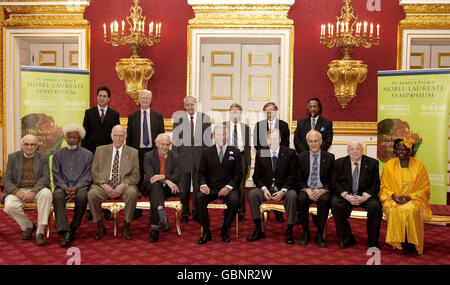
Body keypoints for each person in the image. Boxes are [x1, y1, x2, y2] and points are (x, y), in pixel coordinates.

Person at [380, 137, 432, 255]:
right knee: (396, 209)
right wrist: (394, 196)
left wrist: (409, 197)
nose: (402, 152)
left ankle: (411, 243)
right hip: (394, 199)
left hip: (414, 199)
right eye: (399, 150)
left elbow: (425, 188)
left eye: (405, 150)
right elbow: (383, 186)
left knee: (411, 209)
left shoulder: (419, 165)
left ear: (410, 151)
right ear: (395, 151)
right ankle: (400, 242)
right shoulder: (389, 165)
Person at [88, 125, 140, 240]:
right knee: (92, 194)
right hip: (104, 185)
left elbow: (136, 175)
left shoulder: (133, 152)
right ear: (111, 136)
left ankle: (126, 226)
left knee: (132, 193)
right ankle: (100, 225)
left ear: (125, 136)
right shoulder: (100, 150)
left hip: (124, 185)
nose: (117, 139)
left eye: (121, 136)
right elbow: (94, 172)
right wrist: (104, 185)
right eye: (115, 135)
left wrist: (123, 185)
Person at [247, 129, 297, 244]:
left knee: (293, 195)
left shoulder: (290, 153)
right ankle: (258, 229)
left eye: (275, 139)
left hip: (284, 189)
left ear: (279, 140)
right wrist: (263, 189)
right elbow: (256, 177)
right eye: (270, 139)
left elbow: (293, 176)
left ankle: (289, 230)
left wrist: (283, 191)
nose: (272, 142)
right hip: (267, 189)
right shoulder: (261, 153)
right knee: (253, 194)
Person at [1, 134, 52, 246]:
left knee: (47, 193)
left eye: (32, 144)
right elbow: (7, 179)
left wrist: (34, 191)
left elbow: (45, 177)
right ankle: (28, 225)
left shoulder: (43, 157)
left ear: (36, 146)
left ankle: (40, 231)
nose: (29, 147)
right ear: (22, 146)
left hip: (37, 189)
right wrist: (17, 192)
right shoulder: (13, 157)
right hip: (18, 189)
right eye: (26, 144)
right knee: (9, 206)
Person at [331, 141, 382, 249]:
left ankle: (373, 241)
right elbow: (335, 183)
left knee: (375, 206)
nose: (355, 151)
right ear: (348, 151)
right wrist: (346, 196)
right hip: (347, 195)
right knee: (335, 203)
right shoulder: (339, 163)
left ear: (362, 150)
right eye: (352, 149)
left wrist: (365, 197)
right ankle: (347, 236)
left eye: (358, 149)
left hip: (365, 195)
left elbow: (376, 184)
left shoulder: (373, 163)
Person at [197, 125, 243, 244]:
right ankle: (206, 232)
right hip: (211, 188)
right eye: (218, 135)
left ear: (227, 136)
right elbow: (201, 173)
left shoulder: (235, 151)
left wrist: (228, 187)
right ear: (213, 136)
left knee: (235, 200)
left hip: (228, 188)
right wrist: (203, 185)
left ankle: (225, 229)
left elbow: (238, 175)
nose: (221, 137)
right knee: (199, 198)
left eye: (223, 134)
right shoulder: (206, 152)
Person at [81, 86, 120, 222]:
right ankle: (91, 210)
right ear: (96, 97)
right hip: (91, 153)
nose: (102, 98)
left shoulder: (114, 114)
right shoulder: (89, 113)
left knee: (107, 180)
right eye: (100, 96)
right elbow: (84, 135)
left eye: (105, 96)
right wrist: (84, 153)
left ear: (109, 99)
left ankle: (107, 209)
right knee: (92, 181)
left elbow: (117, 136)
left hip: (108, 154)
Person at [52, 124, 93, 248]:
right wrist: (65, 187)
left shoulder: (88, 154)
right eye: (69, 137)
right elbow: (56, 174)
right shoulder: (58, 154)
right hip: (62, 187)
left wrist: (76, 187)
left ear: (80, 138)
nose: (72, 140)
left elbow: (88, 175)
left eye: (75, 137)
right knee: (57, 196)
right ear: (65, 138)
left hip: (80, 187)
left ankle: (74, 226)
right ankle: (65, 231)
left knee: (82, 197)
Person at [172, 96, 212, 224]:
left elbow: (208, 142)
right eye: (188, 104)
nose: (190, 107)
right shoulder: (179, 120)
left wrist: (207, 160)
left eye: (192, 104)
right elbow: (176, 142)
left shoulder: (205, 119)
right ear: (184, 106)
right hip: (183, 159)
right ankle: (184, 212)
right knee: (183, 187)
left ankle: (196, 212)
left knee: (198, 186)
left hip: (200, 159)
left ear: (196, 105)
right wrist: (175, 160)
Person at [126, 89, 164, 219]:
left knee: (154, 180)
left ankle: (155, 208)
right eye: (143, 98)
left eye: (147, 98)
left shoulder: (158, 116)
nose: (145, 100)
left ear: (151, 99)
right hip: (137, 152)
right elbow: (129, 139)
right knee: (137, 179)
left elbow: (162, 137)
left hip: (153, 152)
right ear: (139, 100)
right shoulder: (132, 117)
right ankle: (136, 209)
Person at [296, 130, 335, 247]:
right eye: (311, 141)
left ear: (321, 141)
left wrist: (323, 190)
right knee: (301, 199)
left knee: (324, 200)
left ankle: (320, 233)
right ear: (307, 142)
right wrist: (307, 189)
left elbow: (333, 179)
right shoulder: (301, 157)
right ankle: (305, 232)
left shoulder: (329, 157)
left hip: (322, 189)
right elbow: (297, 179)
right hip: (306, 189)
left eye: (316, 141)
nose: (313, 144)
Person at [253, 101, 290, 222]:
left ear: (276, 111)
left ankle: (278, 212)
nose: (269, 114)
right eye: (267, 112)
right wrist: (266, 154)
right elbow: (256, 143)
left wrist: (277, 153)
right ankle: (265, 209)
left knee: (278, 182)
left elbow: (286, 143)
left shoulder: (283, 125)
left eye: (271, 111)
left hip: (280, 157)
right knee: (267, 181)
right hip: (264, 157)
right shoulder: (259, 125)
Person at [144, 134, 182, 242]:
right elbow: (151, 176)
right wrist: (166, 180)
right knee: (156, 186)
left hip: (168, 189)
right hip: (150, 186)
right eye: (162, 144)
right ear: (156, 144)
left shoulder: (175, 156)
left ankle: (155, 227)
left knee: (156, 194)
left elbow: (177, 176)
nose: (165, 147)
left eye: (167, 145)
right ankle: (161, 215)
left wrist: (163, 177)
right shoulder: (148, 156)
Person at [224, 103, 251, 222]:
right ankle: (228, 209)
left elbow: (248, 147)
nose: (235, 114)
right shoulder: (224, 126)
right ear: (230, 113)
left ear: (241, 114)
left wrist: (249, 163)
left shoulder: (245, 127)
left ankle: (241, 212)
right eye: (233, 112)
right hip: (228, 157)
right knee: (228, 184)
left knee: (241, 186)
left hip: (241, 157)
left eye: (237, 112)